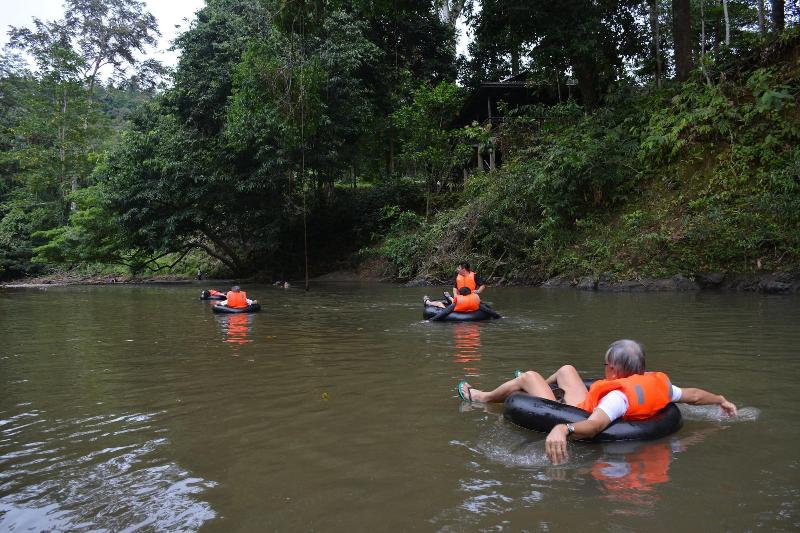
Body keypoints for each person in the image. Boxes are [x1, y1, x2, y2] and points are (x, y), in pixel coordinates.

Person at [456, 339, 737, 464]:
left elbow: (593, 426)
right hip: (588, 403)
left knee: (528, 376)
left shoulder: (617, 397)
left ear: (614, 370)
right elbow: (695, 396)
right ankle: (546, 389)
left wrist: (562, 429)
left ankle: (482, 397)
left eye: (605, 365)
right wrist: (721, 400)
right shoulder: (659, 385)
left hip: (578, 413)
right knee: (566, 369)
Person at [424, 286, 499, 320]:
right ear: (470, 294)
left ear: (461, 295)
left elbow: (445, 312)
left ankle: (428, 301)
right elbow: (488, 310)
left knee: (440, 304)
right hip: (459, 309)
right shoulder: (475, 302)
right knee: (450, 302)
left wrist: (432, 319)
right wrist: (498, 316)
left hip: (455, 309)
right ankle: (428, 302)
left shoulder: (458, 302)